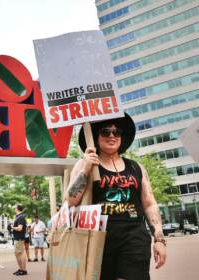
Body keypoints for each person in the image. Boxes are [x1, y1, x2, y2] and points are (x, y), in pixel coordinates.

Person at [65, 113, 166, 280]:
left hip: (134, 236)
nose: (112, 136)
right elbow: (70, 200)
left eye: (116, 132)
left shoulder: (136, 167)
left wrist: (159, 239)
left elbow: (149, 204)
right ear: (96, 137)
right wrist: (86, 168)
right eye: (105, 132)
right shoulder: (84, 164)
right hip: (98, 239)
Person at [12, 204, 28, 276]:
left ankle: (23, 270)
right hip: (17, 237)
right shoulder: (18, 217)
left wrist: (12, 227)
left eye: (15, 207)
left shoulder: (21, 217)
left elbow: (20, 228)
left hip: (19, 238)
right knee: (17, 253)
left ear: (17, 209)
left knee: (21, 253)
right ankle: (21, 269)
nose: (14, 209)